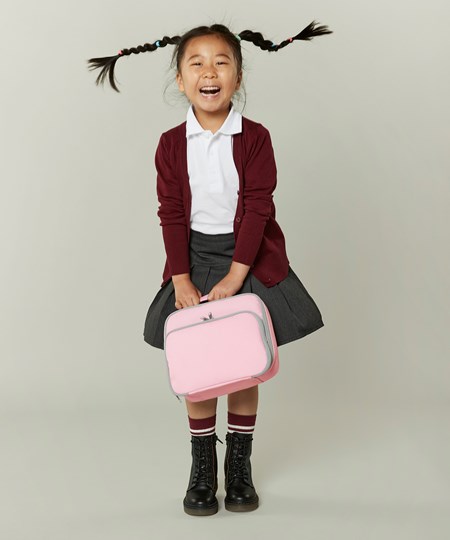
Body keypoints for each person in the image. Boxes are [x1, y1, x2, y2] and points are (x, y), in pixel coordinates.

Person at [87, 20, 331, 517]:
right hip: (195, 259)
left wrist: (237, 277)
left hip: (246, 256)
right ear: (181, 80)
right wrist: (181, 278)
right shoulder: (170, 144)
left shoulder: (255, 138)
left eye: (221, 62)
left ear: (238, 77)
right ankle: (203, 467)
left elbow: (258, 208)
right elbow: (172, 212)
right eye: (196, 64)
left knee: (243, 362)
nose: (209, 72)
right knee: (199, 365)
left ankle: (238, 467)